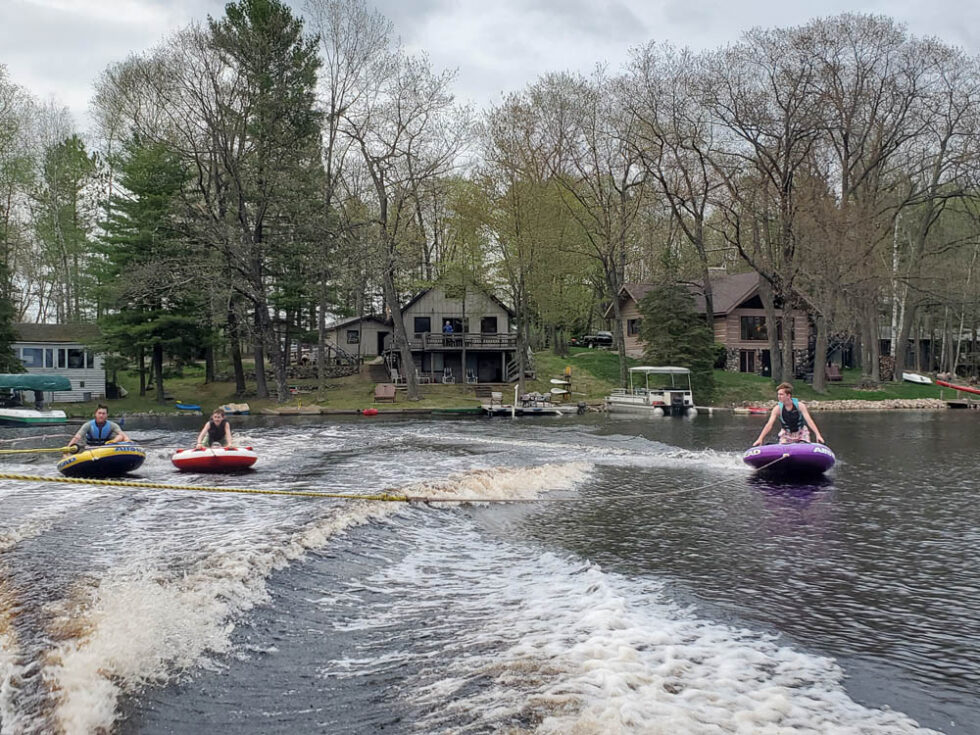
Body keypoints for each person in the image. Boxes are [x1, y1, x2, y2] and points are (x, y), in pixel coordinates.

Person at [753, 382, 825, 446]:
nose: (779, 396)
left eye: (781, 394)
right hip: (786, 434)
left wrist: (818, 435)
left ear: (788, 395)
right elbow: (769, 424)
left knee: (803, 446)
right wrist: (760, 438)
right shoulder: (777, 409)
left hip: (801, 432)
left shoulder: (800, 406)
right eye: (778, 394)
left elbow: (809, 421)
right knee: (783, 447)